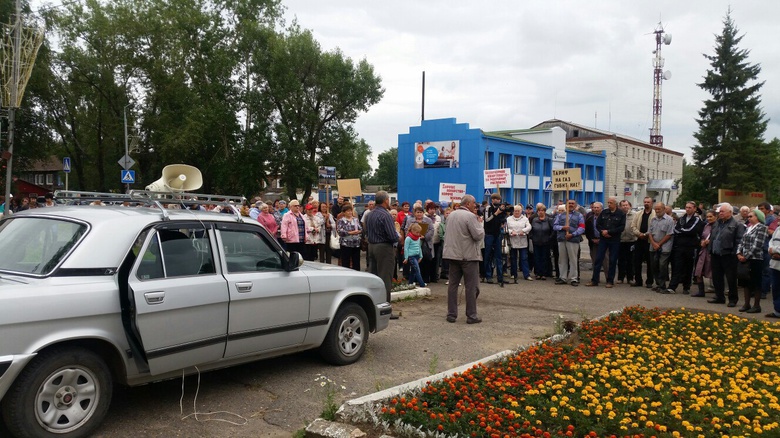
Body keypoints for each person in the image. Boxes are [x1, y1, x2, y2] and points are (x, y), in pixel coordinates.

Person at [442, 194, 484, 324]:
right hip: (467, 256)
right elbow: (478, 235)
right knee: (471, 287)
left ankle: (451, 314)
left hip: (452, 255)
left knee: (453, 285)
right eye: (473, 203)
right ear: (467, 204)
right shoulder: (470, 217)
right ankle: (471, 315)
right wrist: (480, 225)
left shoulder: (451, 215)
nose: (475, 205)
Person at [366, 191, 400, 319]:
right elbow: (392, 236)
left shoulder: (370, 214)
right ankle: (385, 310)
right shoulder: (385, 215)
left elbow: (365, 231)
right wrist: (398, 237)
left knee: (374, 278)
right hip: (384, 248)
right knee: (385, 279)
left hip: (372, 246)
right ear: (386, 200)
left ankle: (372, 308)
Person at [708, 202, 745, 307]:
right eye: (720, 212)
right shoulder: (717, 223)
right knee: (716, 277)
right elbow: (713, 236)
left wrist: (734, 253)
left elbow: (739, 240)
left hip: (728, 254)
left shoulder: (737, 225)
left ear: (730, 212)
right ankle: (719, 297)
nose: (720, 213)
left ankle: (733, 299)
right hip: (716, 254)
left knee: (731, 278)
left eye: (723, 211)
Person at [665, 201, 704, 294]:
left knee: (689, 267)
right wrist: (682, 231)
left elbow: (692, 230)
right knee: (677, 267)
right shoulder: (682, 218)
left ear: (694, 209)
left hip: (691, 247)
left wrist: (682, 230)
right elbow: (675, 229)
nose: (687, 209)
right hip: (680, 246)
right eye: (686, 207)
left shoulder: (697, 219)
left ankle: (686, 287)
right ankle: (672, 287)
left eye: (690, 207)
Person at [586, 197, 625, 288]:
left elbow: (621, 227)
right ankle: (594, 280)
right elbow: (598, 224)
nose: (609, 204)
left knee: (612, 260)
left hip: (614, 239)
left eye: (611, 202)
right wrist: (602, 231)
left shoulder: (621, 214)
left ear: (615, 203)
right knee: (598, 259)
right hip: (603, 239)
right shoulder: (604, 212)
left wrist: (609, 232)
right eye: (608, 202)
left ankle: (610, 281)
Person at [736, 209, 768, 313]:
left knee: (756, 282)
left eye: (751, 216)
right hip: (744, 257)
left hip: (755, 259)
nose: (748, 218)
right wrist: (738, 253)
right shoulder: (748, 228)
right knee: (746, 281)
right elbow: (742, 241)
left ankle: (756, 305)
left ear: (758, 217)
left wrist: (746, 256)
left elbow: (758, 245)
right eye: (748, 216)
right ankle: (746, 304)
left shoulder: (762, 228)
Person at [554, 199, 585, 286]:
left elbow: (582, 228)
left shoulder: (579, 216)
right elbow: (555, 226)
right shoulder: (560, 215)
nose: (571, 205)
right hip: (562, 239)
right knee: (562, 260)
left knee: (573, 259)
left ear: (575, 205)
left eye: (572, 203)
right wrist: (562, 227)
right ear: (566, 205)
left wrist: (573, 234)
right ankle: (562, 277)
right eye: (569, 203)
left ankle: (573, 278)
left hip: (573, 240)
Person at [483, 193, 511, 286]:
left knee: (499, 256)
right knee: (488, 255)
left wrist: (504, 218)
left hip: (498, 234)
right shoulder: (488, 208)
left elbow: (502, 220)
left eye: (499, 199)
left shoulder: (501, 208)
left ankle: (500, 277)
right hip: (489, 234)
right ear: (492, 200)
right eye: (496, 199)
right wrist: (496, 213)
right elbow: (487, 220)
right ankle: (488, 276)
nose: (497, 201)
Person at [646, 202, 674, 292]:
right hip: (653, 246)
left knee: (662, 265)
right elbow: (649, 232)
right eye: (656, 209)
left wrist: (659, 244)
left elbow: (669, 234)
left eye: (659, 209)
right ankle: (658, 284)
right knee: (654, 265)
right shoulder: (653, 219)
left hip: (664, 247)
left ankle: (662, 285)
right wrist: (653, 243)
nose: (657, 211)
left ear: (664, 209)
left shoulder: (669, 220)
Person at [692, 210, 717, 297]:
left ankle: (718, 292)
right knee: (698, 271)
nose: (709, 218)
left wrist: (710, 242)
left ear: (715, 217)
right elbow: (702, 236)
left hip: (712, 251)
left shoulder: (718, 226)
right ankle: (701, 291)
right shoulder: (706, 226)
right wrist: (702, 241)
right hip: (703, 251)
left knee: (713, 273)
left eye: (711, 216)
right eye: (707, 217)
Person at [631, 197, 655, 288]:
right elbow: (633, 226)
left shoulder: (655, 214)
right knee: (637, 261)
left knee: (650, 262)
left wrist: (646, 235)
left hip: (650, 241)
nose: (646, 203)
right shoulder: (638, 214)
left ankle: (649, 281)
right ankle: (638, 281)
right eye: (645, 202)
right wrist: (639, 234)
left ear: (652, 203)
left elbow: (655, 228)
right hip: (639, 240)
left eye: (648, 202)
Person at [506, 204, 532, 283]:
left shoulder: (525, 219)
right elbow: (505, 228)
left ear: (521, 211)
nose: (516, 212)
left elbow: (529, 227)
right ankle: (513, 274)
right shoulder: (508, 219)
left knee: (524, 258)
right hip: (512, 240)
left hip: (522, 240)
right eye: (515, 211)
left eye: (518, 211)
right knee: (513, 258)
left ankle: (526, 274)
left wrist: (523, 231)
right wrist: (511, 232)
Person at [530, 204, 554, 280]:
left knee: (545, 258)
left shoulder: (549, 219)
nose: (541, 212)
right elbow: (531, 230)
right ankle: (537, 273)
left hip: (546, 242)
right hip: (536, 241)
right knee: (536, 258)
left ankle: (544, 273)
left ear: (544, 211)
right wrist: (532, 237)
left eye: (542, 210)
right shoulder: (534, 220)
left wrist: (549, 238)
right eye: (539, 210)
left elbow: (553, 230)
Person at [337, 204, 362, 271]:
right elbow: (340, 231)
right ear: (344, 212)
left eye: (350, 211)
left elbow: (360, 229)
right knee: (346, 261)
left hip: (356, 243)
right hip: (346, 244)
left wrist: (358, 232)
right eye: (348, 211)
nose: (350, 212)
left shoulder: (355, 220)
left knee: (356, 261)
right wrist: (350, 233)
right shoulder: (341, 221)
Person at [617, 200, 636, 285]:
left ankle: (630, 278)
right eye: (623, 205)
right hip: (620, 240)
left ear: (630, 206)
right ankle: (620, 278)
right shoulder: (618, 215)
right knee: (621, 260)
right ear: (620, 207)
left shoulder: (635, 215)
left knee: (630, 260)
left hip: (631, 240)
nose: (625, 207)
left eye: (626, 205)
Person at [403, 223, 426, 287]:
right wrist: (406, 257)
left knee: (413, 270)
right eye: (417, 232)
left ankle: (410, 283)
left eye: (419, 232)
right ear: (412, 231)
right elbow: (406, 248)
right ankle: (422, 284)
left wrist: (421, 256)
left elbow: (419, 247)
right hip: (411, 256)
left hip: (417, 255)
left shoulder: (418, 238)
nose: (418, 234)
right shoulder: (408, 238)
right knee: (417, 270)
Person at [766, 221, 780, 318]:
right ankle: (777, 311)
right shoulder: (778, 229)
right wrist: (771, 250)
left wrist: (776, 251)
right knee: (776, 288)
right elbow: (771, 242)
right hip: (775, 264)